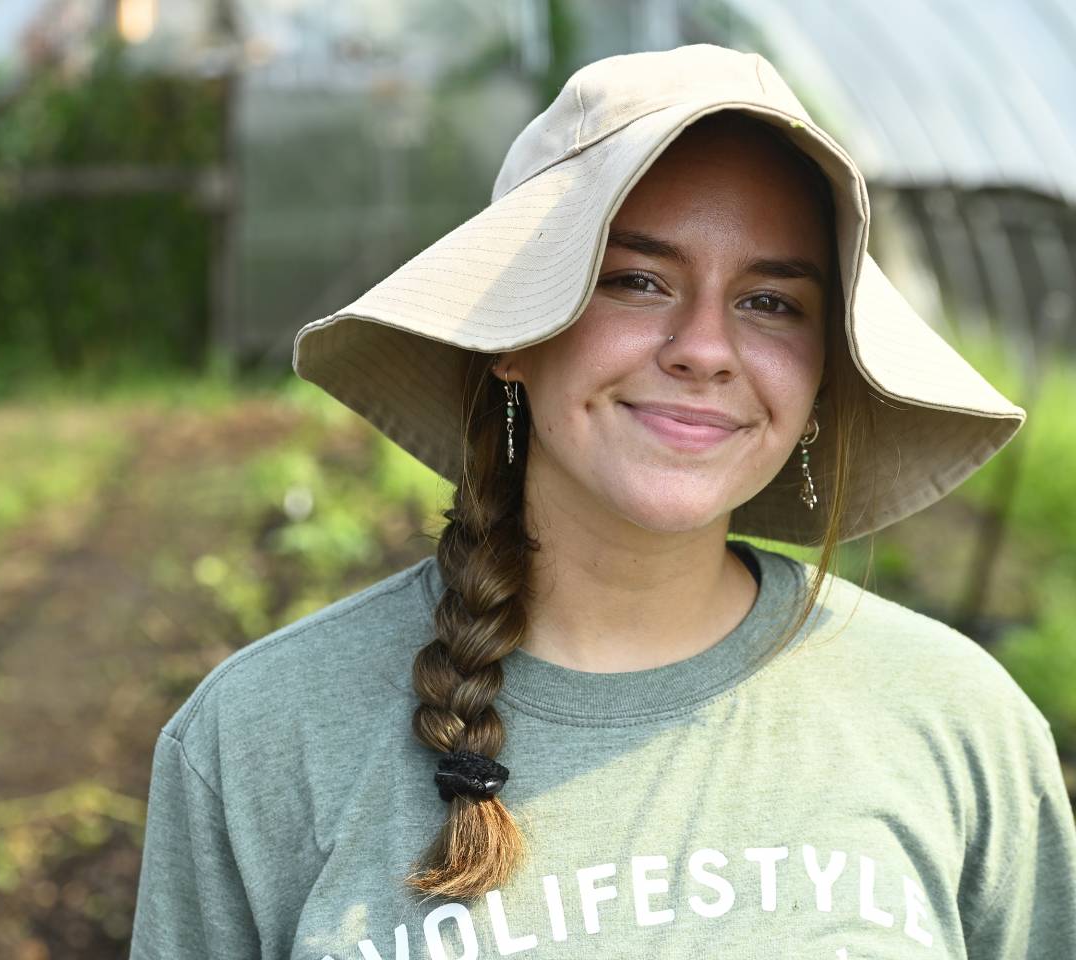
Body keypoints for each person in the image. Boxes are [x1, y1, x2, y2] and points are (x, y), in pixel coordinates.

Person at [130, 44, 1076, 959]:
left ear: (824, 371)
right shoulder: (260, 739)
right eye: (636, 281)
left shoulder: (959, 724)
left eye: (770, 302)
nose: (703, 348)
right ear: (510, 335)